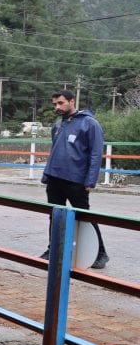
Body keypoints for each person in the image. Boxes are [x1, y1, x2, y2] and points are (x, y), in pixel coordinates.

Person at [41, 89, 109, 269]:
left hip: (76, 180)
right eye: (55, 104)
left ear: (72, 101)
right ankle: (53, 250)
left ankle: (100, 253)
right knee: (55, 216)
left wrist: (90, 180)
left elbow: (96, 154)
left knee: (84, 217)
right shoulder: (58, 125)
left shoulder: (89, 123)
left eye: (61, 103)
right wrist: (46, 174)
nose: (57, 107)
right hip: (55, 178)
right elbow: (54, 150)